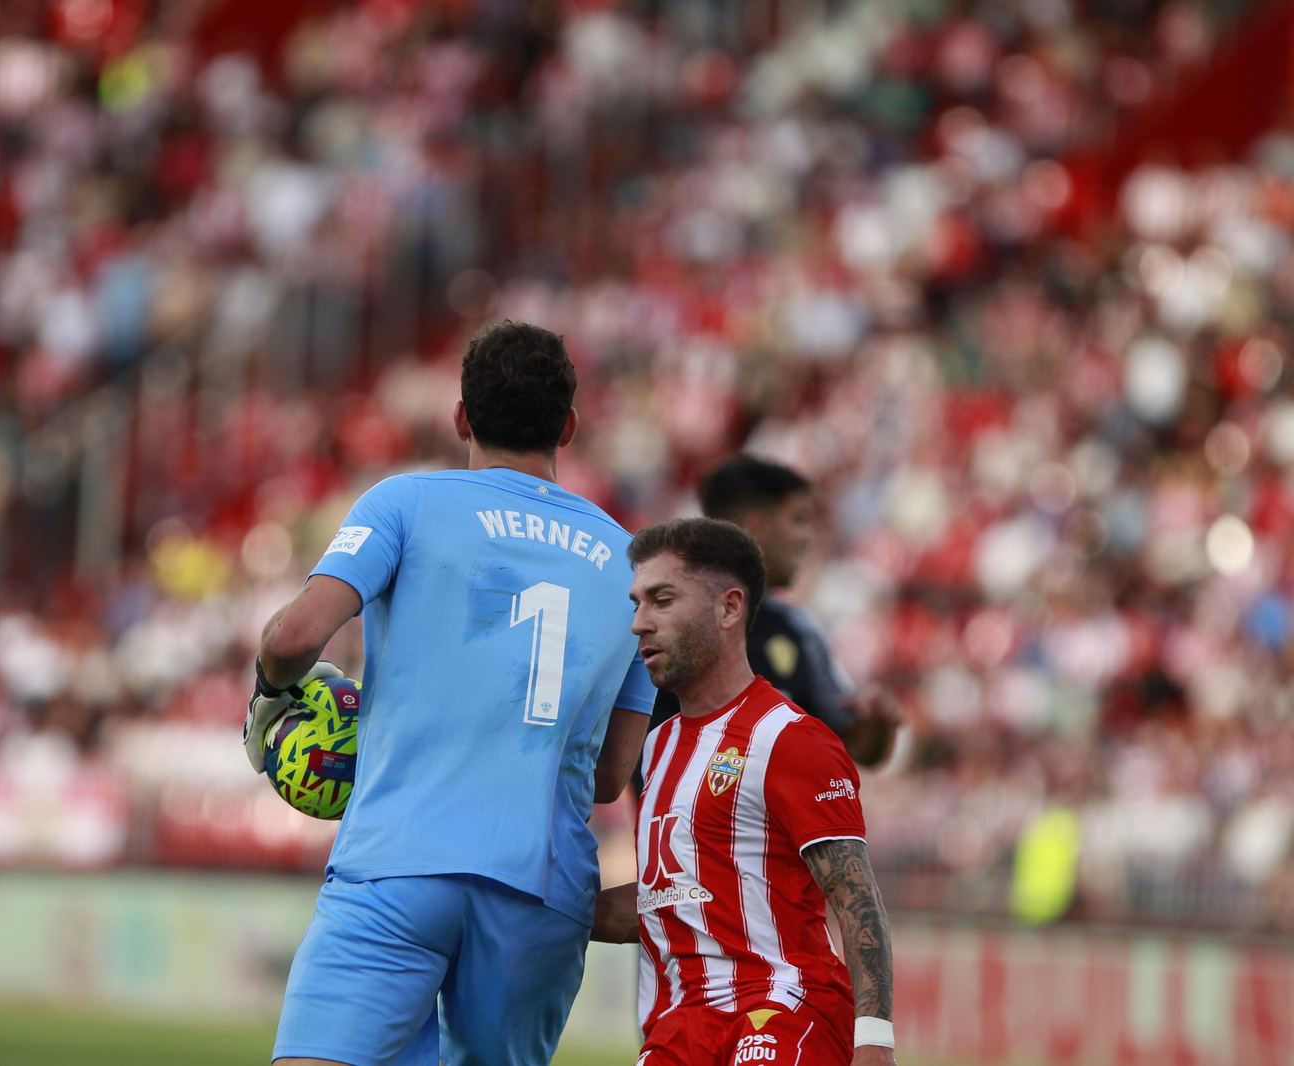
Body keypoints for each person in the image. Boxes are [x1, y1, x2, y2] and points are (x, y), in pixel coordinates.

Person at [248, 321, 656, 1066]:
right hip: (541, 888)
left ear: (462, 416)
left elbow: (293, 639)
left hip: (397, 860)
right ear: (567, 426)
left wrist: (268, 692)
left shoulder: (403, 504)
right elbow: (608, 777)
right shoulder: (632, 564)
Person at [595, 517, 897, 1066]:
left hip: (782, 1008)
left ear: (729, 608)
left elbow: (855, 894)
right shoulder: (657, 747)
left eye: (661, 600)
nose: (639, 623)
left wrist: (874, 1037)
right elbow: (669, 902)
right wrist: (511, 905)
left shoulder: (790, 738)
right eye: (636, 603)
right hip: (679, 1027)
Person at [646, 458, 899, 767]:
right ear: (757, 529)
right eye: (798, 519)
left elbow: (852, 743)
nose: (807, 537)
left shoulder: (796, 628)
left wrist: (876, 727)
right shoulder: (665, 623)